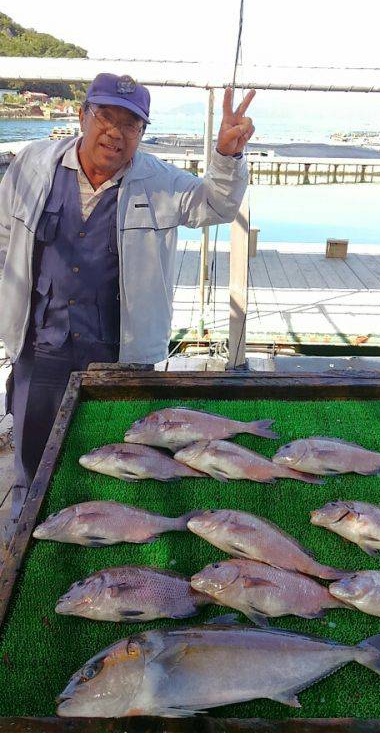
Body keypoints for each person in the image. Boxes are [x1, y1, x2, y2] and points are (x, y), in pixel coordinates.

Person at [0, 72, 255, 490]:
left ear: (141, 133)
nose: (115, 133)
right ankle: (25, 529)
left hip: (120, 352)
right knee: (33, 454)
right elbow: (3, 236)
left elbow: (216, 203)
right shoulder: (33, 164)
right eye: (106, 117)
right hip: (41, 345)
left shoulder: (159, 181)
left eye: (131, 124)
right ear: (83, 116)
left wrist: (226, 156)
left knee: (119, 455)